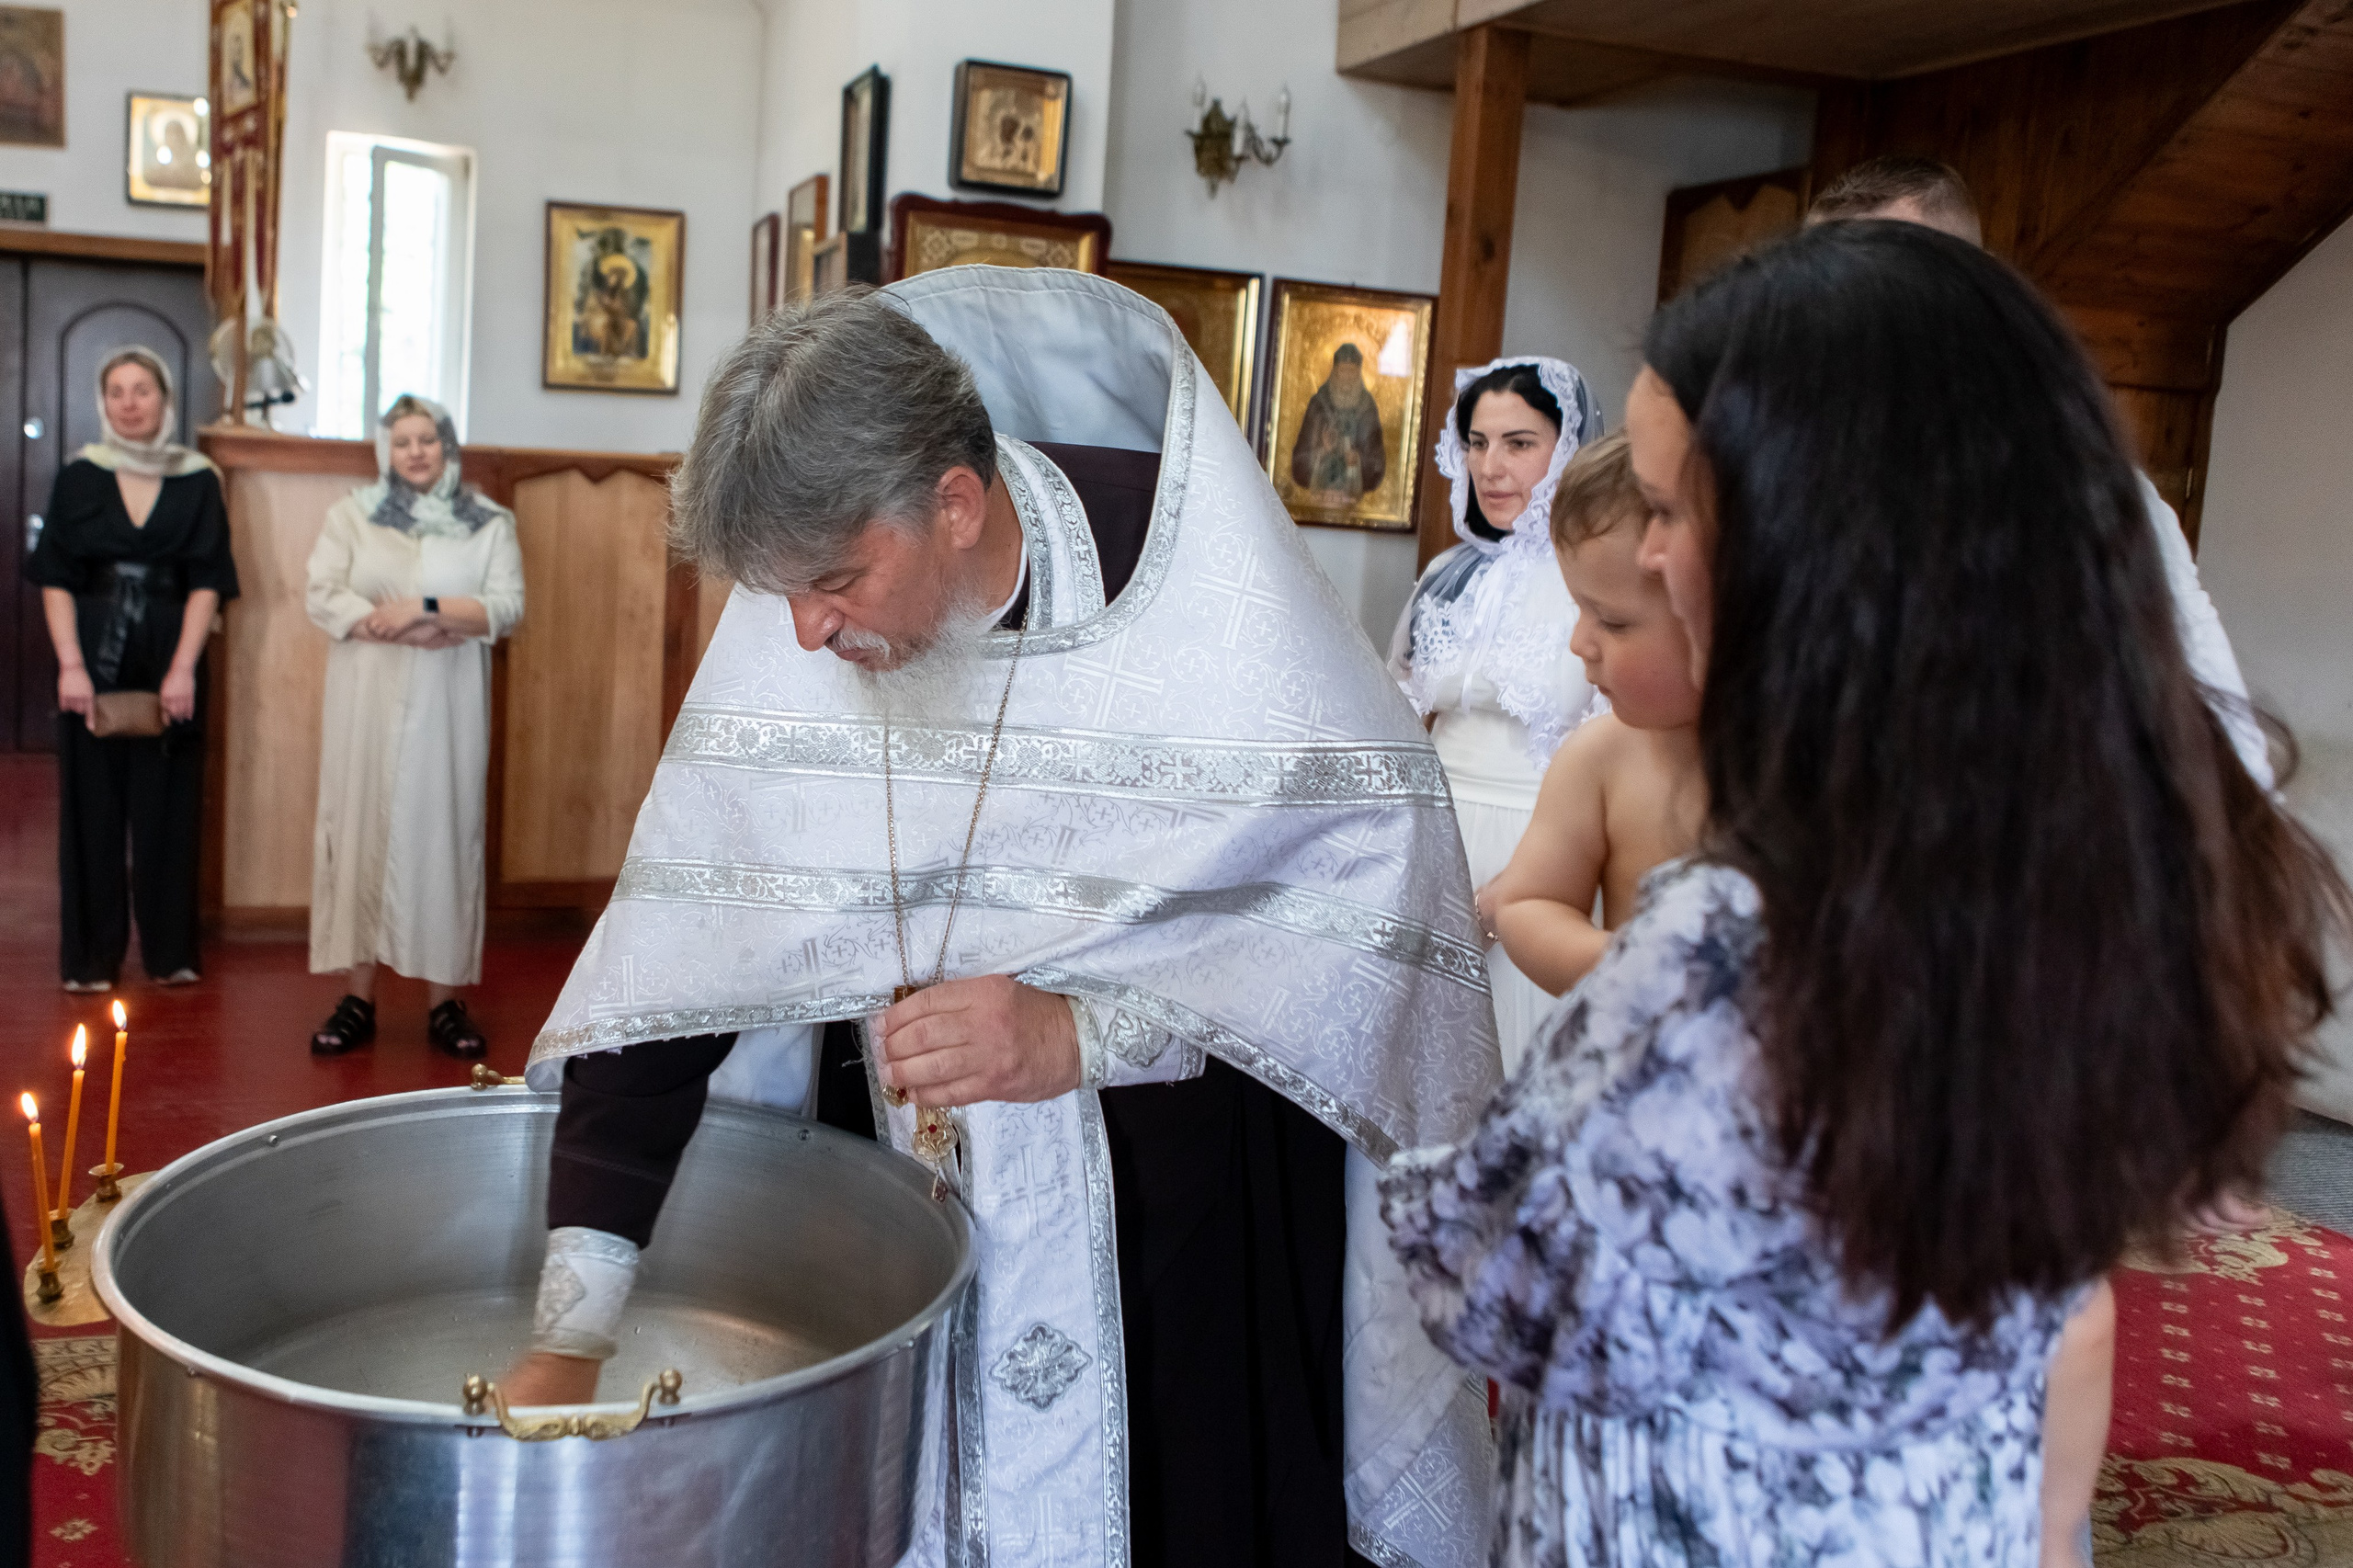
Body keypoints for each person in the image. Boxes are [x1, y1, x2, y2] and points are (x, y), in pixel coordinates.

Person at [1381, 221, 2348, 1566]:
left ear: (1810, 544)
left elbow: (1498, 1278)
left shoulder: (1738, 929)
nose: (1641, 564)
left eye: (1666, 513)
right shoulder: (2073, 853)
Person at [498, 273, 1501, 1568]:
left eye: (835, 583)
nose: (803, 634)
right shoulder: (810, 590)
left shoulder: (1189, 572)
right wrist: (571, 1325)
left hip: (1176, 1244)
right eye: (782, 595)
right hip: (897, 1231)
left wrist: (1084, 1035)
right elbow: (686, 958)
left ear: (956, 507)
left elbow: (1367, 902)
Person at [1392, 357, 1605, 1070]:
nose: (1491, 465)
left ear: (1568, 446)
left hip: (1545, 859)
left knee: (1513, 1073)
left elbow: (1620, 750)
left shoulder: (1599, 579)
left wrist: (1509, 899)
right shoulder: (1445, 575)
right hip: (1435, 849)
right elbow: (1391, 721)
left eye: (1519, 443)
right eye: (1477, 443)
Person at [303, 395, 524, 1060]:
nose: (417, 452)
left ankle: (445, 1001)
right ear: (386, 451)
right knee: (362, 830)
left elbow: (506, 605)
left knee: (444, 836)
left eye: (428, 438)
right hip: (366, 698)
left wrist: (428, 611)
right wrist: (389, 622)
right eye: (403, 442)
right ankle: (357, 998)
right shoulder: (352, 515)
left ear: (447, 445)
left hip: (446, 702)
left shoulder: (488, 520)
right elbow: (323, 592)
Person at [25, 347, 237, 993]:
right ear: (103, 403)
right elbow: (56, 579)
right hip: (93, 651)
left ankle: (170, 950)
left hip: (169, 648)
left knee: (168, 808)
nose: (129, 402)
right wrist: (70, 667)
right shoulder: (79, 475)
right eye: (115, 391)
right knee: (91, 807)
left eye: (141, 389)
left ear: (164, 399)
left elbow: (208, 582)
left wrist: (183, 670)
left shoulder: (199, 478)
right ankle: (91, 958)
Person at [1477, 431, 1701, 995]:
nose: (1579, 642)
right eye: (1580, 611)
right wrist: (1628, 967)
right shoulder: (1600, 758)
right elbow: (1528, 902)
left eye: (1614, 622)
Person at [1290, 341, 1388, 503]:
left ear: (1359, 373)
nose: (1347, 377)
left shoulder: (1367, 407)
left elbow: (1376, 464)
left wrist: (1356, 461)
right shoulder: (1319, 404)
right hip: (1320, 498)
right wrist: (1322, 452)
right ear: (1335, 372)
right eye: (1343, 370)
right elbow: (1299, 462)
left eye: (1352, 371)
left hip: (1353, 500)